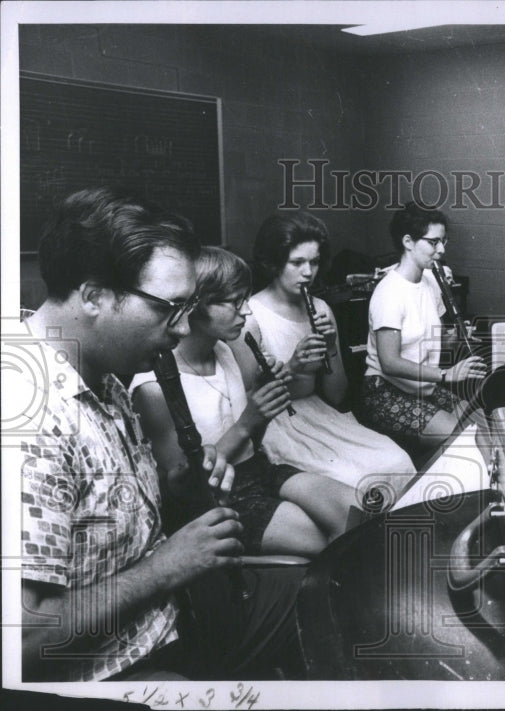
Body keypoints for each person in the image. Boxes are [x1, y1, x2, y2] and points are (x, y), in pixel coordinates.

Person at [17, 187, 303, 682]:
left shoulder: (101, 369)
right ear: (92, 296)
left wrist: (181, 488)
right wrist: (165, 569)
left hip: (180, 613)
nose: (179, 328)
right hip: (125, 665)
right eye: (167, 307)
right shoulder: (28, 420)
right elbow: (24, 638)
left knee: (328, 587)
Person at [132, 247, 354, 557]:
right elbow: (184, 491)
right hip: (219, 499)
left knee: (356, 513)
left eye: (245, 300)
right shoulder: (154, 387)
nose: (246, 312)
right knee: (329, 542)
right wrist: (249, 420)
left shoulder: (225, 349)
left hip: (258, 469)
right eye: (235, 302)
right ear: (195, 305)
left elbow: (252, 441)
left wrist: (266, 402)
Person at [229, 212, 415, 494]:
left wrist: (330, 348)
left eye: (314, 262)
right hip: (277, 425)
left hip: (319, 413)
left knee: (396, 460)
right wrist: (293, 366)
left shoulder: (321, 309)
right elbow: (246, 403)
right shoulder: (251, 317)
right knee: (350, 478)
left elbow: (337, 395)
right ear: (274, 262)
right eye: (297, 262)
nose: (308, 272)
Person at [357, 202, 488, 454]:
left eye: (444, 242)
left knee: (482, 420)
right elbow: (390, 362)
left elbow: (430, 341)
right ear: (408, 242)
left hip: (421, 387)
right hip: (385, 392)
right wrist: (445, 375)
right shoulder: (389, 293)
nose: (441, 250)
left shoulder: (430, 282)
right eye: (433, 242)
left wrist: (457, 338)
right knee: (461, 439)